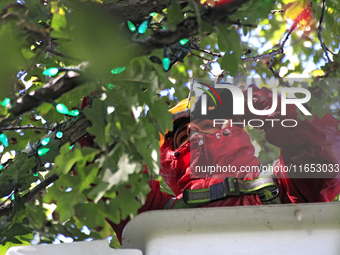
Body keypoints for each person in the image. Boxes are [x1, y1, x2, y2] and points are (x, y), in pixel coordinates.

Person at [81, 84, 340, 243]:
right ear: (167, 152)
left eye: (206, 121)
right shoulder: (153, 212)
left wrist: (259, 104)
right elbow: (105, 168)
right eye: (181, 128)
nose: (193, 129)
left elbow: (327, 152)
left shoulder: (285, 191)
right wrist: (106, 87)